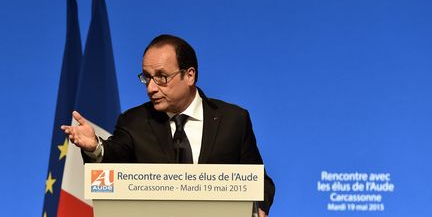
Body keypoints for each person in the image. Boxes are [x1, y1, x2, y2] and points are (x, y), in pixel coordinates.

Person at [61, 34, 275, 216]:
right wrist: (95, 147)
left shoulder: (233, 120)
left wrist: (259, 208)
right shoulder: (134, 121)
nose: (151, 88)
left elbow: (260, 181)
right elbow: (113, 156)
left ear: (189, 75)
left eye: (161, 77)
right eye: (147, 78)